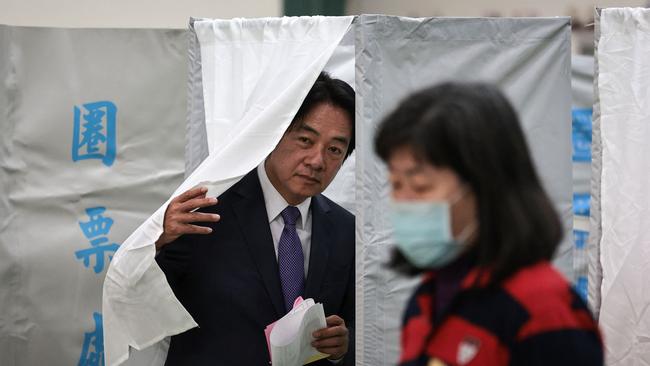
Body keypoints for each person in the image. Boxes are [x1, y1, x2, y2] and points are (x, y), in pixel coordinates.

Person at [374, 82, 604, 366]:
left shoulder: (543, 309)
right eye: (395, 184)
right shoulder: (427, 299)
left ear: (484, 185)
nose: (404, 202)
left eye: (421, 186)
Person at [155, 72, 355, 365]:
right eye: (305, 139)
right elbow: (147, 303)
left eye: (334, 149)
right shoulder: (203, 212)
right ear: (275, 133)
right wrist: (158, 241)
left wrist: (341, 347)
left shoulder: (346, 230)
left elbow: (354, 324)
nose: (317, 160)